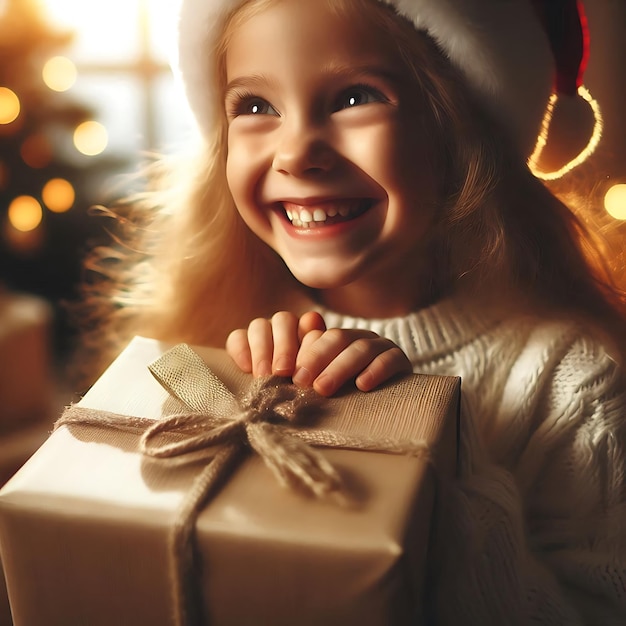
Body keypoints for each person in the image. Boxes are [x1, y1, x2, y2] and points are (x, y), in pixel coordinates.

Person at [77, 0, 626, 622]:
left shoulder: (568, 376)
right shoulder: (210, 332)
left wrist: (439, 467)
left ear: (459, 129)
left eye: (353, 97)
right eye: (255, 107)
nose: (297, 152)